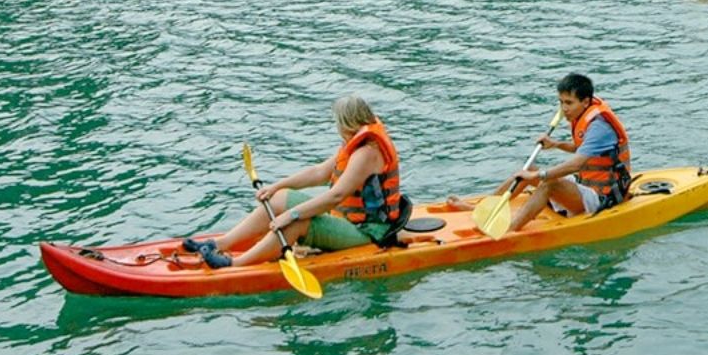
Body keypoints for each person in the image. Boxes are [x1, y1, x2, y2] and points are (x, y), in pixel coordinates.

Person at [185, 95, 408, 268]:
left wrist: (290, 215)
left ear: (348, 123)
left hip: (368, 232)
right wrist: (277, 186)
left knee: (297, 223)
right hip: (348, 220)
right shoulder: (356, 144)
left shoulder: (367, 153)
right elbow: (319, 172)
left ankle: (235, 264)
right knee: (279, 199)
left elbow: (335, 196)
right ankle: (220, 244)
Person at [448, 74, 631, 233]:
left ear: (585, 101)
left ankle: (511, 229)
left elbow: (577, 164)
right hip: (586, 183)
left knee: (547, 183)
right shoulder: (583, 114)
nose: (564, 108)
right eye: (561, 102)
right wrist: (556, 144)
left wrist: (539, 175)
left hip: (603, 196)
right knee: (527, 170)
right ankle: (482, 208)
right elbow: (583, 149)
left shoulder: (599, 126)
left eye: (569, 103)